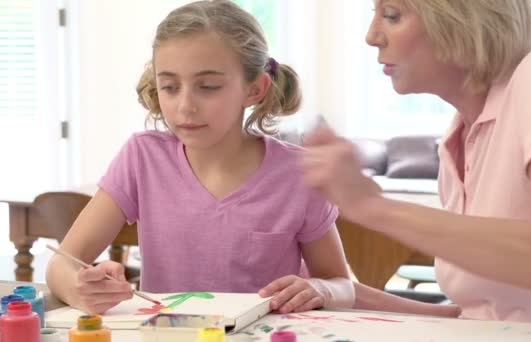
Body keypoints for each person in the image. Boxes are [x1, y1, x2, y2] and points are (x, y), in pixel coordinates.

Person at [301, 0, 531, 328]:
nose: (372, 36)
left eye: (392, 15)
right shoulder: (457, 139)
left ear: (462, 17)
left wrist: (372, 206)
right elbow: (482, 317)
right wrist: (345, 294)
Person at [46, 0, 355, 315]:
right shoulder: (142, 158)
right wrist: (81, 286)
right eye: (169, 87)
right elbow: (61, 264)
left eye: (208, 87)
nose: (185, 106)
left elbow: (341, 285)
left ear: (255, 89)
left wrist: (320, 288)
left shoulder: (300, 174)